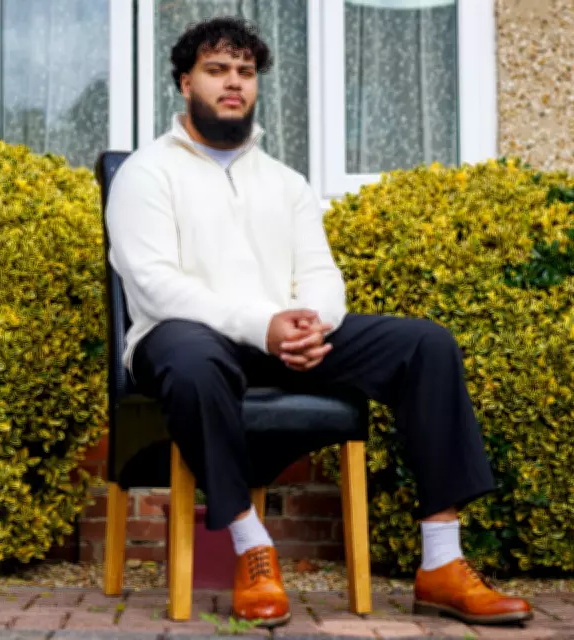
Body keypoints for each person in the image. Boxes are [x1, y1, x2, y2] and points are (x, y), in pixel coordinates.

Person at [105, 16, 533, 628]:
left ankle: (442, 562)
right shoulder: (147, 174)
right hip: (183, 341)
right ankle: (252, 549)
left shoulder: (286, 182)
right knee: (192, 358)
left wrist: (313, 325)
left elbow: (321, 274)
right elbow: (155, 285)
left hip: (283, 339)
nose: (234, 83)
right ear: (185, 82)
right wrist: (265, 324)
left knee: (425, 345)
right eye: (217, 70)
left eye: (246, 72)